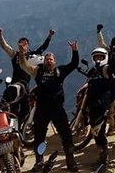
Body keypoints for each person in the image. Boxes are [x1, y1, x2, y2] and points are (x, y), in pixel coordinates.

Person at [19, 40, 80, 172]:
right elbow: (23, 65)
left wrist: (75, 51)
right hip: (42, 109)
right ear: (44, 61)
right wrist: (22, 53)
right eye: (47, 59)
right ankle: (39, 161)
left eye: (51, 59)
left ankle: (71, 160)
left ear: (55, 61)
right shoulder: (37, 71)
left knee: (66, 134)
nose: (49, 61)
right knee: (39, 136)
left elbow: (74, 64)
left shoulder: (60, 71)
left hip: (58, 109)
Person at [0, 27, 55, 120]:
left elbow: (43, 48)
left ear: (27, 45)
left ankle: (20, 125)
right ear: (18, 45)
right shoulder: (14, 55)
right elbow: (4, 46)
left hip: (25, 85)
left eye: (25, 43)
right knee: (13, 108)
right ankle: (13, 127)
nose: (23, 44)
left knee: (25, 109)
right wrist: (0, 35)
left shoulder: (31, 56)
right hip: (14, 84)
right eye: (21, 43)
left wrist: (50, 36)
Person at [84, 45, 115, 166]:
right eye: (96, 57)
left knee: (100, 131)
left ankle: (104, 158)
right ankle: (102, 154)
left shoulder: (106, 69)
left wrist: (114, 55)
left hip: (103, 105)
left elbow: (113, 67)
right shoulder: (93, 72)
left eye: (100, 57)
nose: (98, 59)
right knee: (95, 130)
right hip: (93, 104)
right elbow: (90, 89)